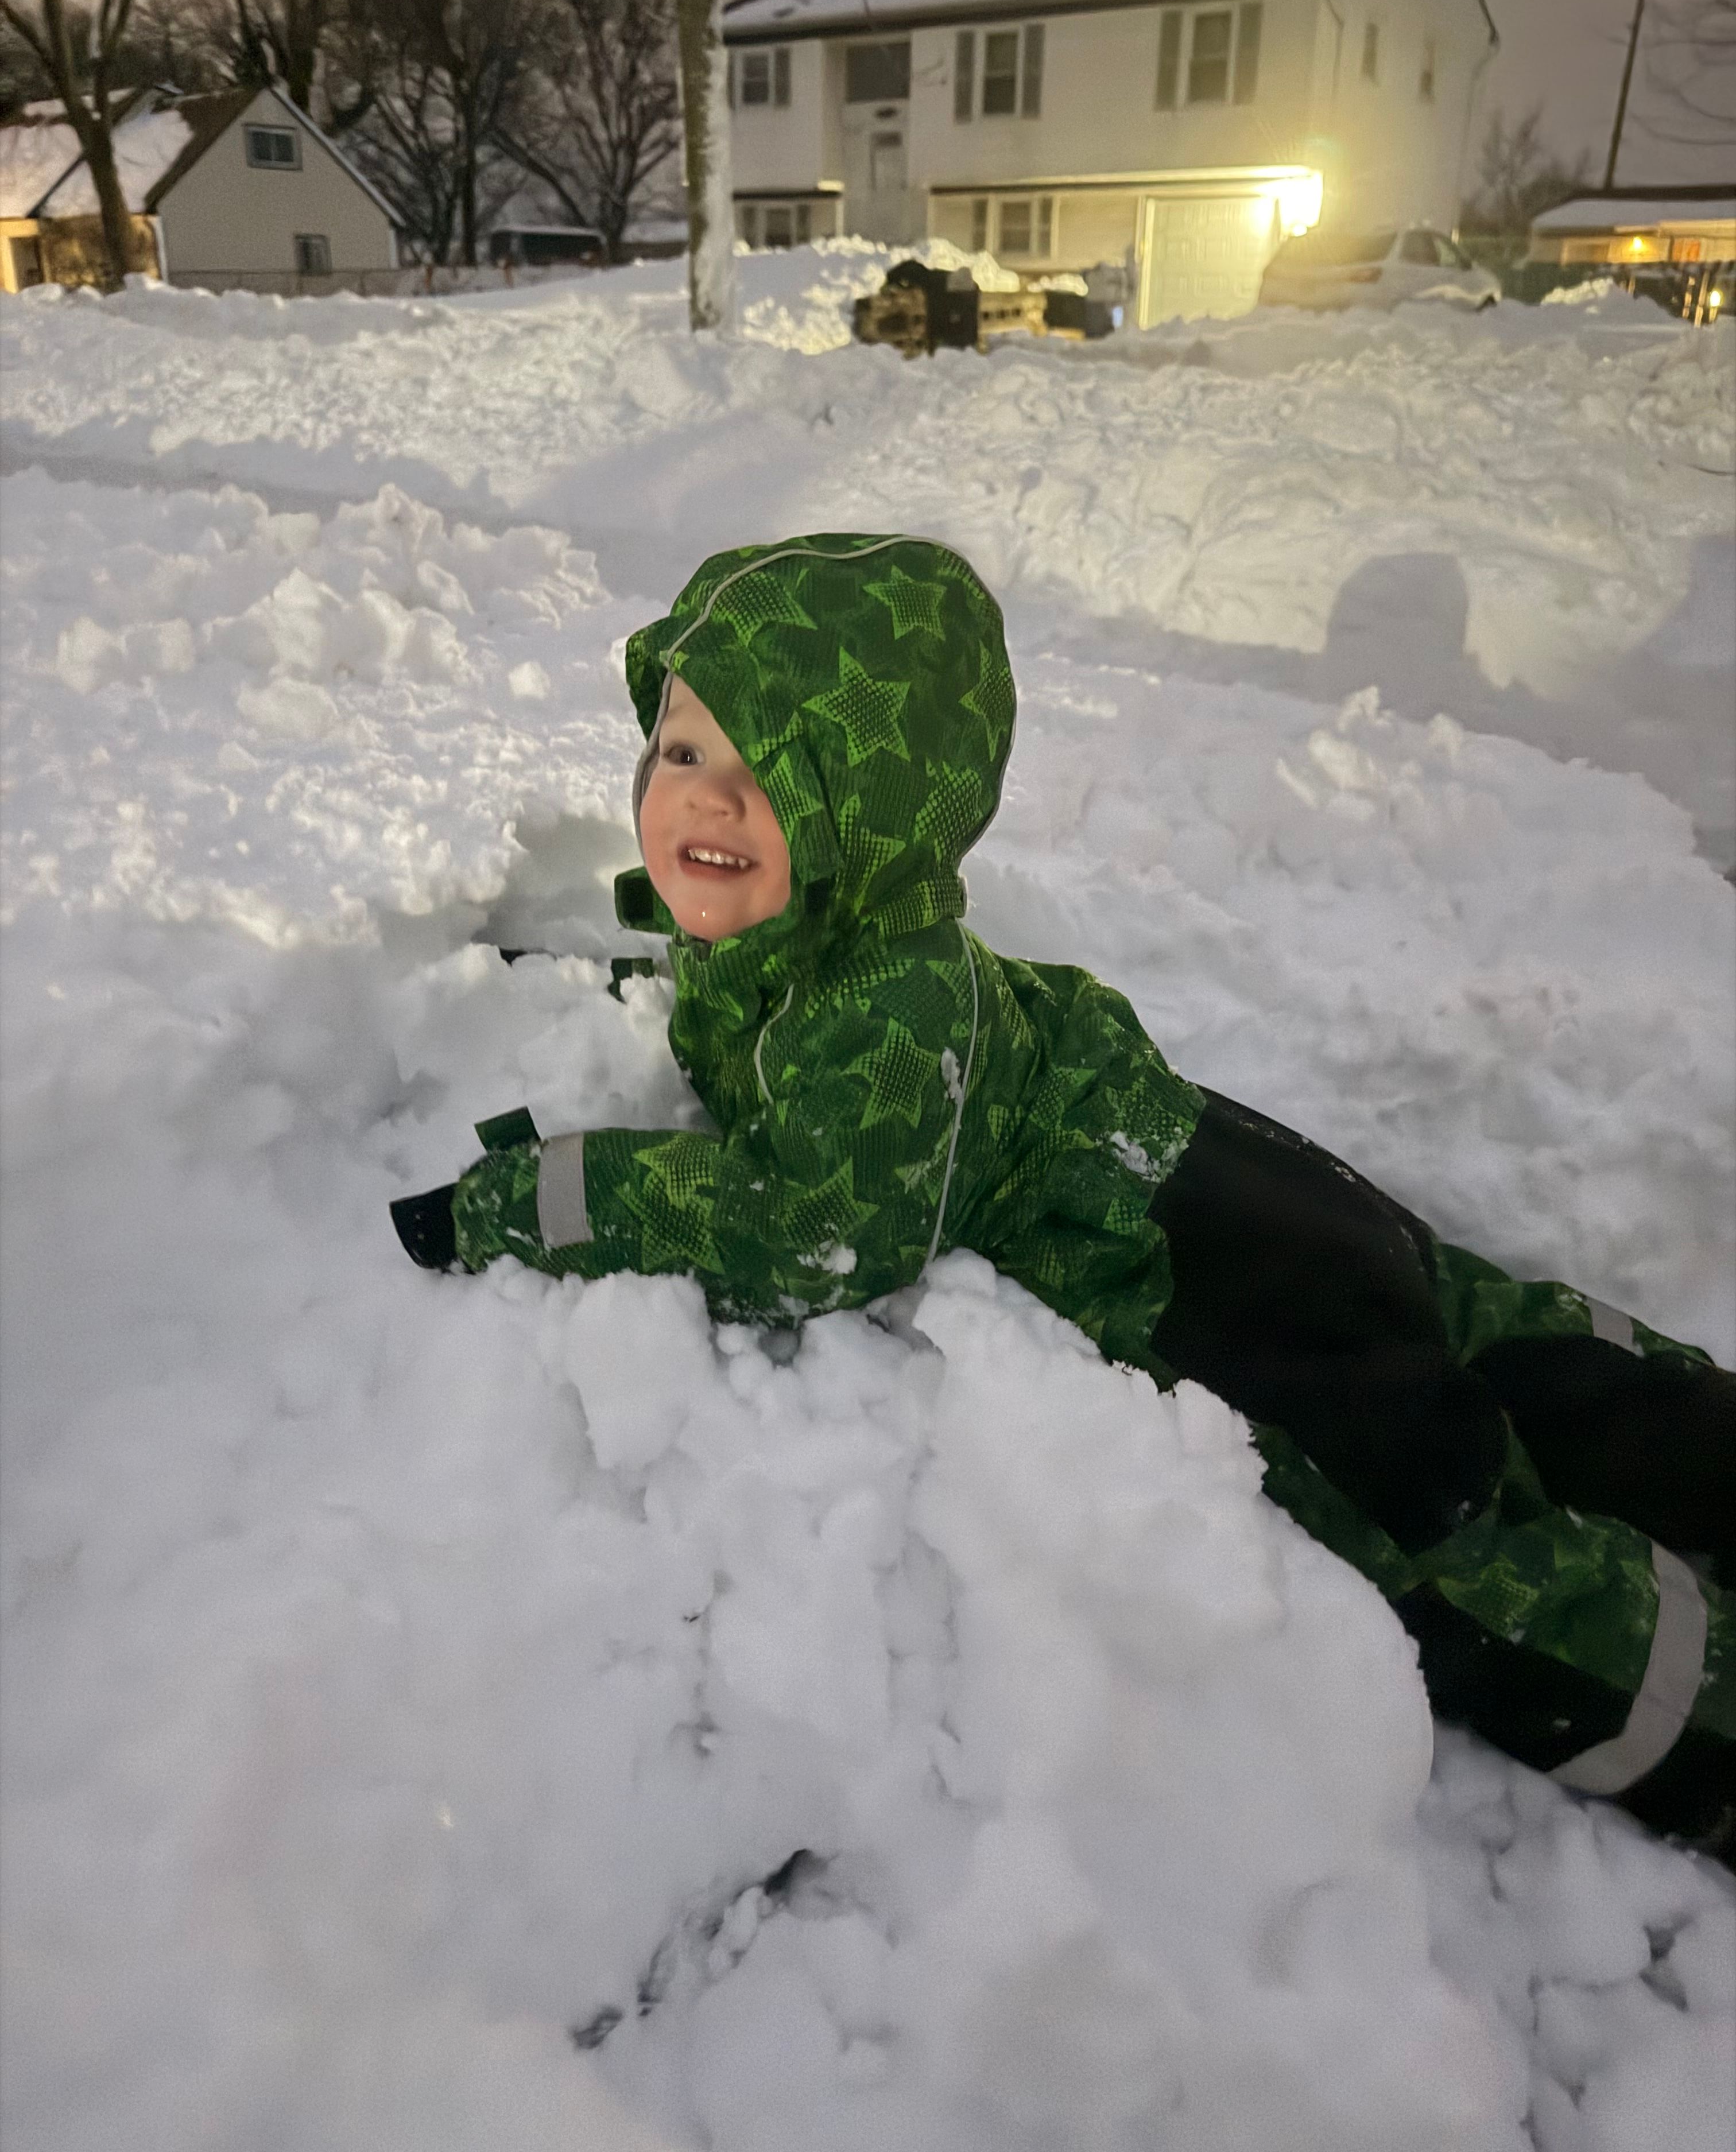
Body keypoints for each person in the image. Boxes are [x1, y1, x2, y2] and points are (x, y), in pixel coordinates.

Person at [392, 534, 1736, 1857]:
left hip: (1192, 1275)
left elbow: (815, 1234)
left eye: (776, 778)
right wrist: (596, 987)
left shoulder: (891, 1010)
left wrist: (540, 1199)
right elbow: (751, 1011)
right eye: (686, 753)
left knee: (1449, 1526)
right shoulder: (815, 927)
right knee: (1479, 1327)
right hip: (1213, 1156)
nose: (707, 805)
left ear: (881, 815)